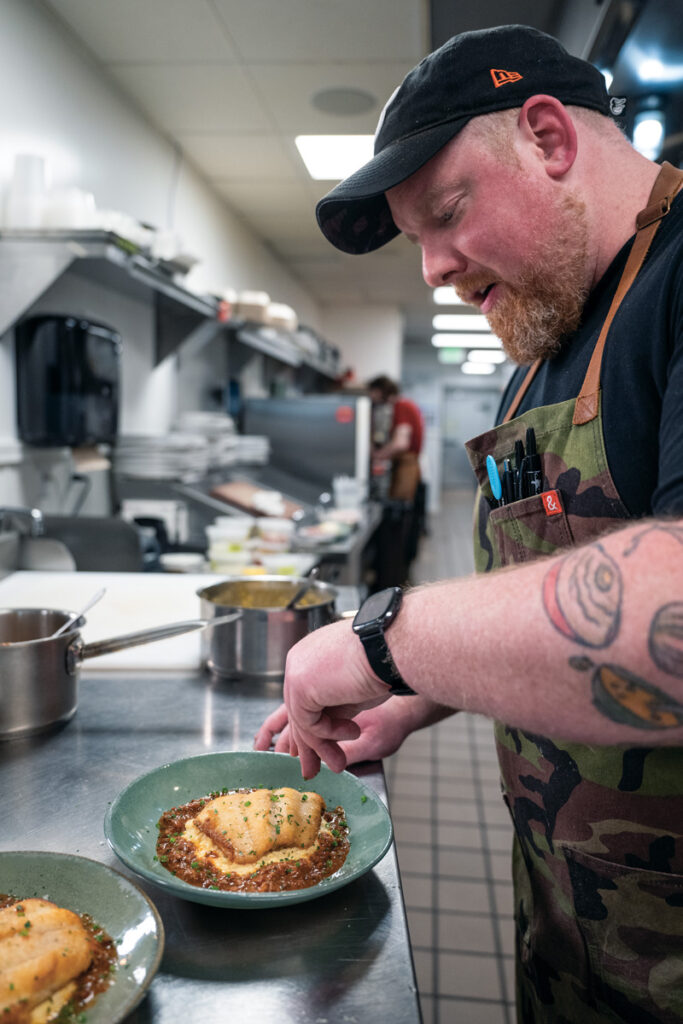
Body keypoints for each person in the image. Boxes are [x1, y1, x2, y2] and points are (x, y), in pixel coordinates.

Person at [255, 24, 683, 1023]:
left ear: (546, 137)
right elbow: (538, 586)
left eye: (445, 214)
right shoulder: (533, 355)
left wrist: (385, 646)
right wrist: (417, 697)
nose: (432, 271)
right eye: (415, 241)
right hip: (569, 940)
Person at [367, 374, 426, 586]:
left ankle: (394, 580)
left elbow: (402, 443)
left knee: (397, 531)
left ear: (381, 391)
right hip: (409, 470)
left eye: (372, 393)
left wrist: (379, 454)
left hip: (406, 473)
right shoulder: (407, 405)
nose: (371, 398)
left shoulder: (401, 406)